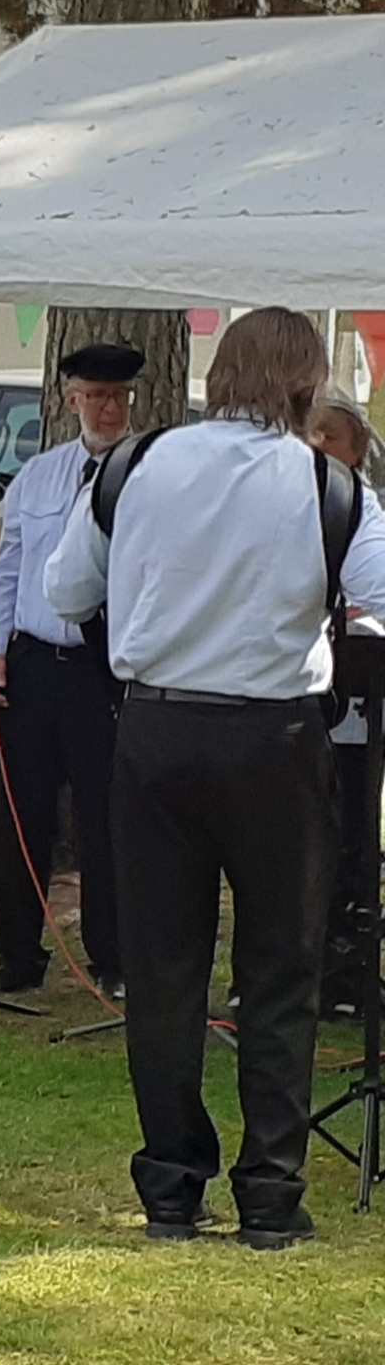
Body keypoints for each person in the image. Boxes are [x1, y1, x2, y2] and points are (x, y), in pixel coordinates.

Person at [46, 306, 385, 1251]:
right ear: (304, 384)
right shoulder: (330, 485)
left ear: (219, 374)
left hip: (154, 732)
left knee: (161, 969)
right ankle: (271, 1194)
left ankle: (171, 1188)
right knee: (281, 969)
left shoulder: (134, 466)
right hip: (276, 741)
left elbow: (64, 593)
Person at [0, 344, 140, 998]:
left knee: (105, 818)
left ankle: (113, 958)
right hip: (36, 662)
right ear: (70, 401)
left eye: (119, 395)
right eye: (96, 395)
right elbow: (7, 567)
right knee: (21, 814)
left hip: (104, 668)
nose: (108, 407)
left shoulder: (144, 474)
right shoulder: (38, 476)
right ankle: (16, 953)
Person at [309, 397, 383, 1019]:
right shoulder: (286, 499)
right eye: (310, 433)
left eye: (330, 436)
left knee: (353, 829)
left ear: (356, 450)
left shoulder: (363, 511)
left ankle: (348, 967)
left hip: (358, 702)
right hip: (293, 710)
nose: (318, 445)